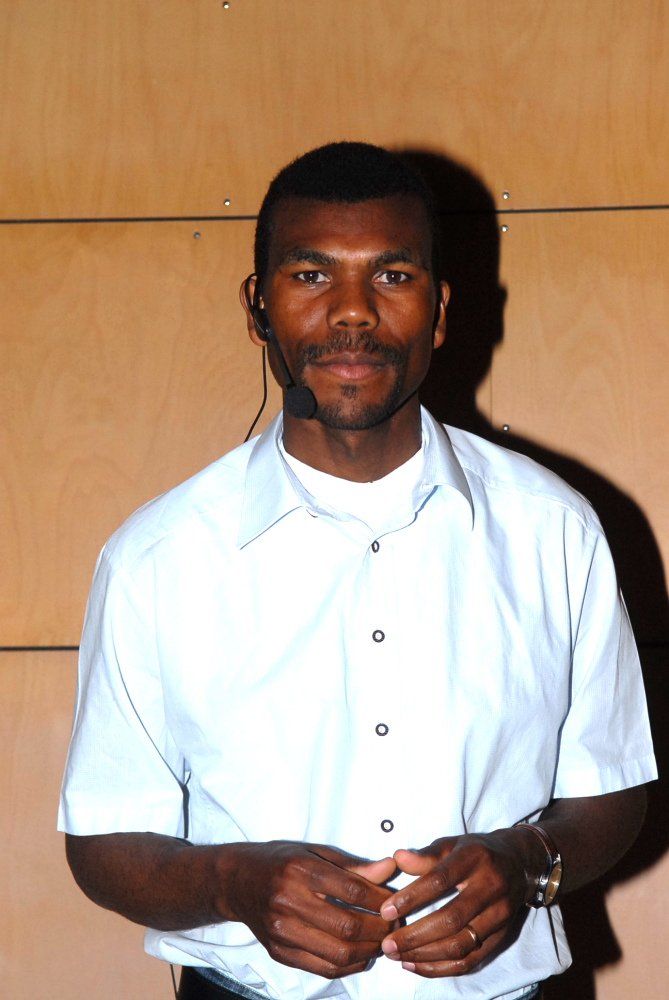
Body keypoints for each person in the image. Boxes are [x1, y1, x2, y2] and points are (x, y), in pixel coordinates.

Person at [59, 142, 657, 1000]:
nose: (351, 312)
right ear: (257, 307)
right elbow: (104, 841)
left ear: (439, 311)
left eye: (392, 276)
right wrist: (234, 882)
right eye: (310, 276)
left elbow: (613, 789)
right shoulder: (157, 558)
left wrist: (523, 859)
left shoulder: (552, 529)